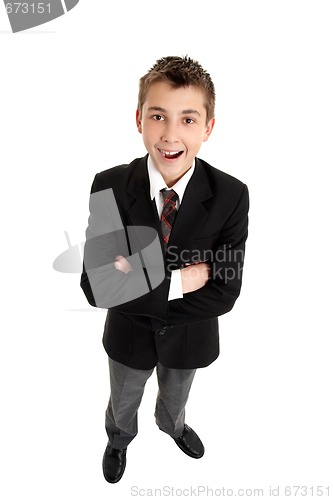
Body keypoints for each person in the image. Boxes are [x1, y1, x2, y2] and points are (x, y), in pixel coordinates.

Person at [80, 55, 249, 483]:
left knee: (177, 395)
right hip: (129, 337)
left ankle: (172, 426)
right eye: (158, 116)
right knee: (123, 398)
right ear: (139, 119)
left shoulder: (231, 195)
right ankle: (118, 439)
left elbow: (226, 290)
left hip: (189, 336)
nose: (171, 135)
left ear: (209, 127)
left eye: (188, 120)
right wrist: (184, 278)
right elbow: (96, 285)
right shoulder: (110, 185)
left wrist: (133, 274)